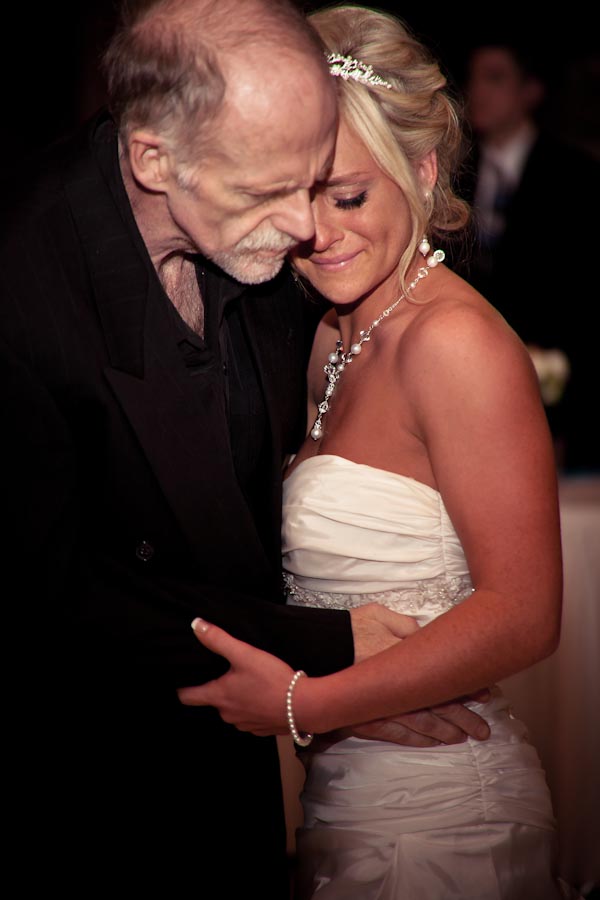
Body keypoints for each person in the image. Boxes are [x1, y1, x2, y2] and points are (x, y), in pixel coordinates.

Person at [0, 0, 491, 894]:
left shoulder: (267, 245)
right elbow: (52, 590)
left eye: (315, 183)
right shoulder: (22, 274)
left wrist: (340, 698)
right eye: (269, 192)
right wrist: (328, 658)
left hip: (240, 779)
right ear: (154, 158)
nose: (305, 226)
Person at [178, 6, 582, 898]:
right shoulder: (331, 331)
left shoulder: (455, 344)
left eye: (349, 197)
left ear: (422, 170)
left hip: (445, 818)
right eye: (295, 196)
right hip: (346, 805)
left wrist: (306, 705)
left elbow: (525, 614)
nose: (318, 233)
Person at [454, 40, 600, 472]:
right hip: (465, 375)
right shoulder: (453, 171)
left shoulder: (576, 176)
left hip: (553, 389)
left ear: (531, 90)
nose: (478, 91)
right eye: (474, 78)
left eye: (495, 78)